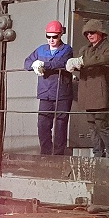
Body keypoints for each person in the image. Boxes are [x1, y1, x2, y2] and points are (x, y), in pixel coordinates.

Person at [23, 20, 75, 155]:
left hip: (61, 94)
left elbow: (61, 62)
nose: (51, 39)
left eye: (55, 36)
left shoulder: (67, 50)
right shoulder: (41, 49)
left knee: (60, 126)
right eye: (48, 36)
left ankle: (58, 155)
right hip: (45, 93)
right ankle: (45, 153)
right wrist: (34, 65)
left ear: (61, 35)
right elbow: (27, 62)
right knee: (43, 125)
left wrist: (43, 64)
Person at [68, 19, 109, 159]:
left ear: (100, 33)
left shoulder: (108, 47)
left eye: (92, 32)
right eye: (87, 33)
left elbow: (106, 59)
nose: (89, 35)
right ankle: (97, 154)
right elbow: (82, 64)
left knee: (102, 124)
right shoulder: (85, 49)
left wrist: (83, 62)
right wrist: (74, 64)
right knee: (92, 125)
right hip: (87, 91)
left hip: (100, 92)